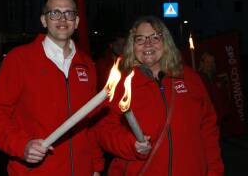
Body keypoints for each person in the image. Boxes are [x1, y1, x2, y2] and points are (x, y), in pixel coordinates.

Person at [0, 0, 104, 175]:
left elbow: (90, 123)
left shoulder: (87, 65)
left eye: (68, 13)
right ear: (43, 20)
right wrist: (21, 145)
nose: (62, 19)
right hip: (36, 171)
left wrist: (96, 166)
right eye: (54, 13)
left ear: (76, 21)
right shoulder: (20, 59)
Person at [94, 16, 224, 175]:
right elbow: (103, 129)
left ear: (166, 42)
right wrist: (131, 144)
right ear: (132, 46)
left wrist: (214, 172)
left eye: (155, 37)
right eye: (140, 39)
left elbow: (208, 130)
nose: (148, 44)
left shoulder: (190, 78)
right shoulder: (120, 84)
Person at [198, 52, 232, 135]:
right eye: (208, 62)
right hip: (204, 116)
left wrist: (224, 111)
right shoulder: (197, 78)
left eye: (212, 62)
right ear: (202, 63)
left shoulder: (216, 77)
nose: (210, 65)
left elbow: (222, 96)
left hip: (217, 115)